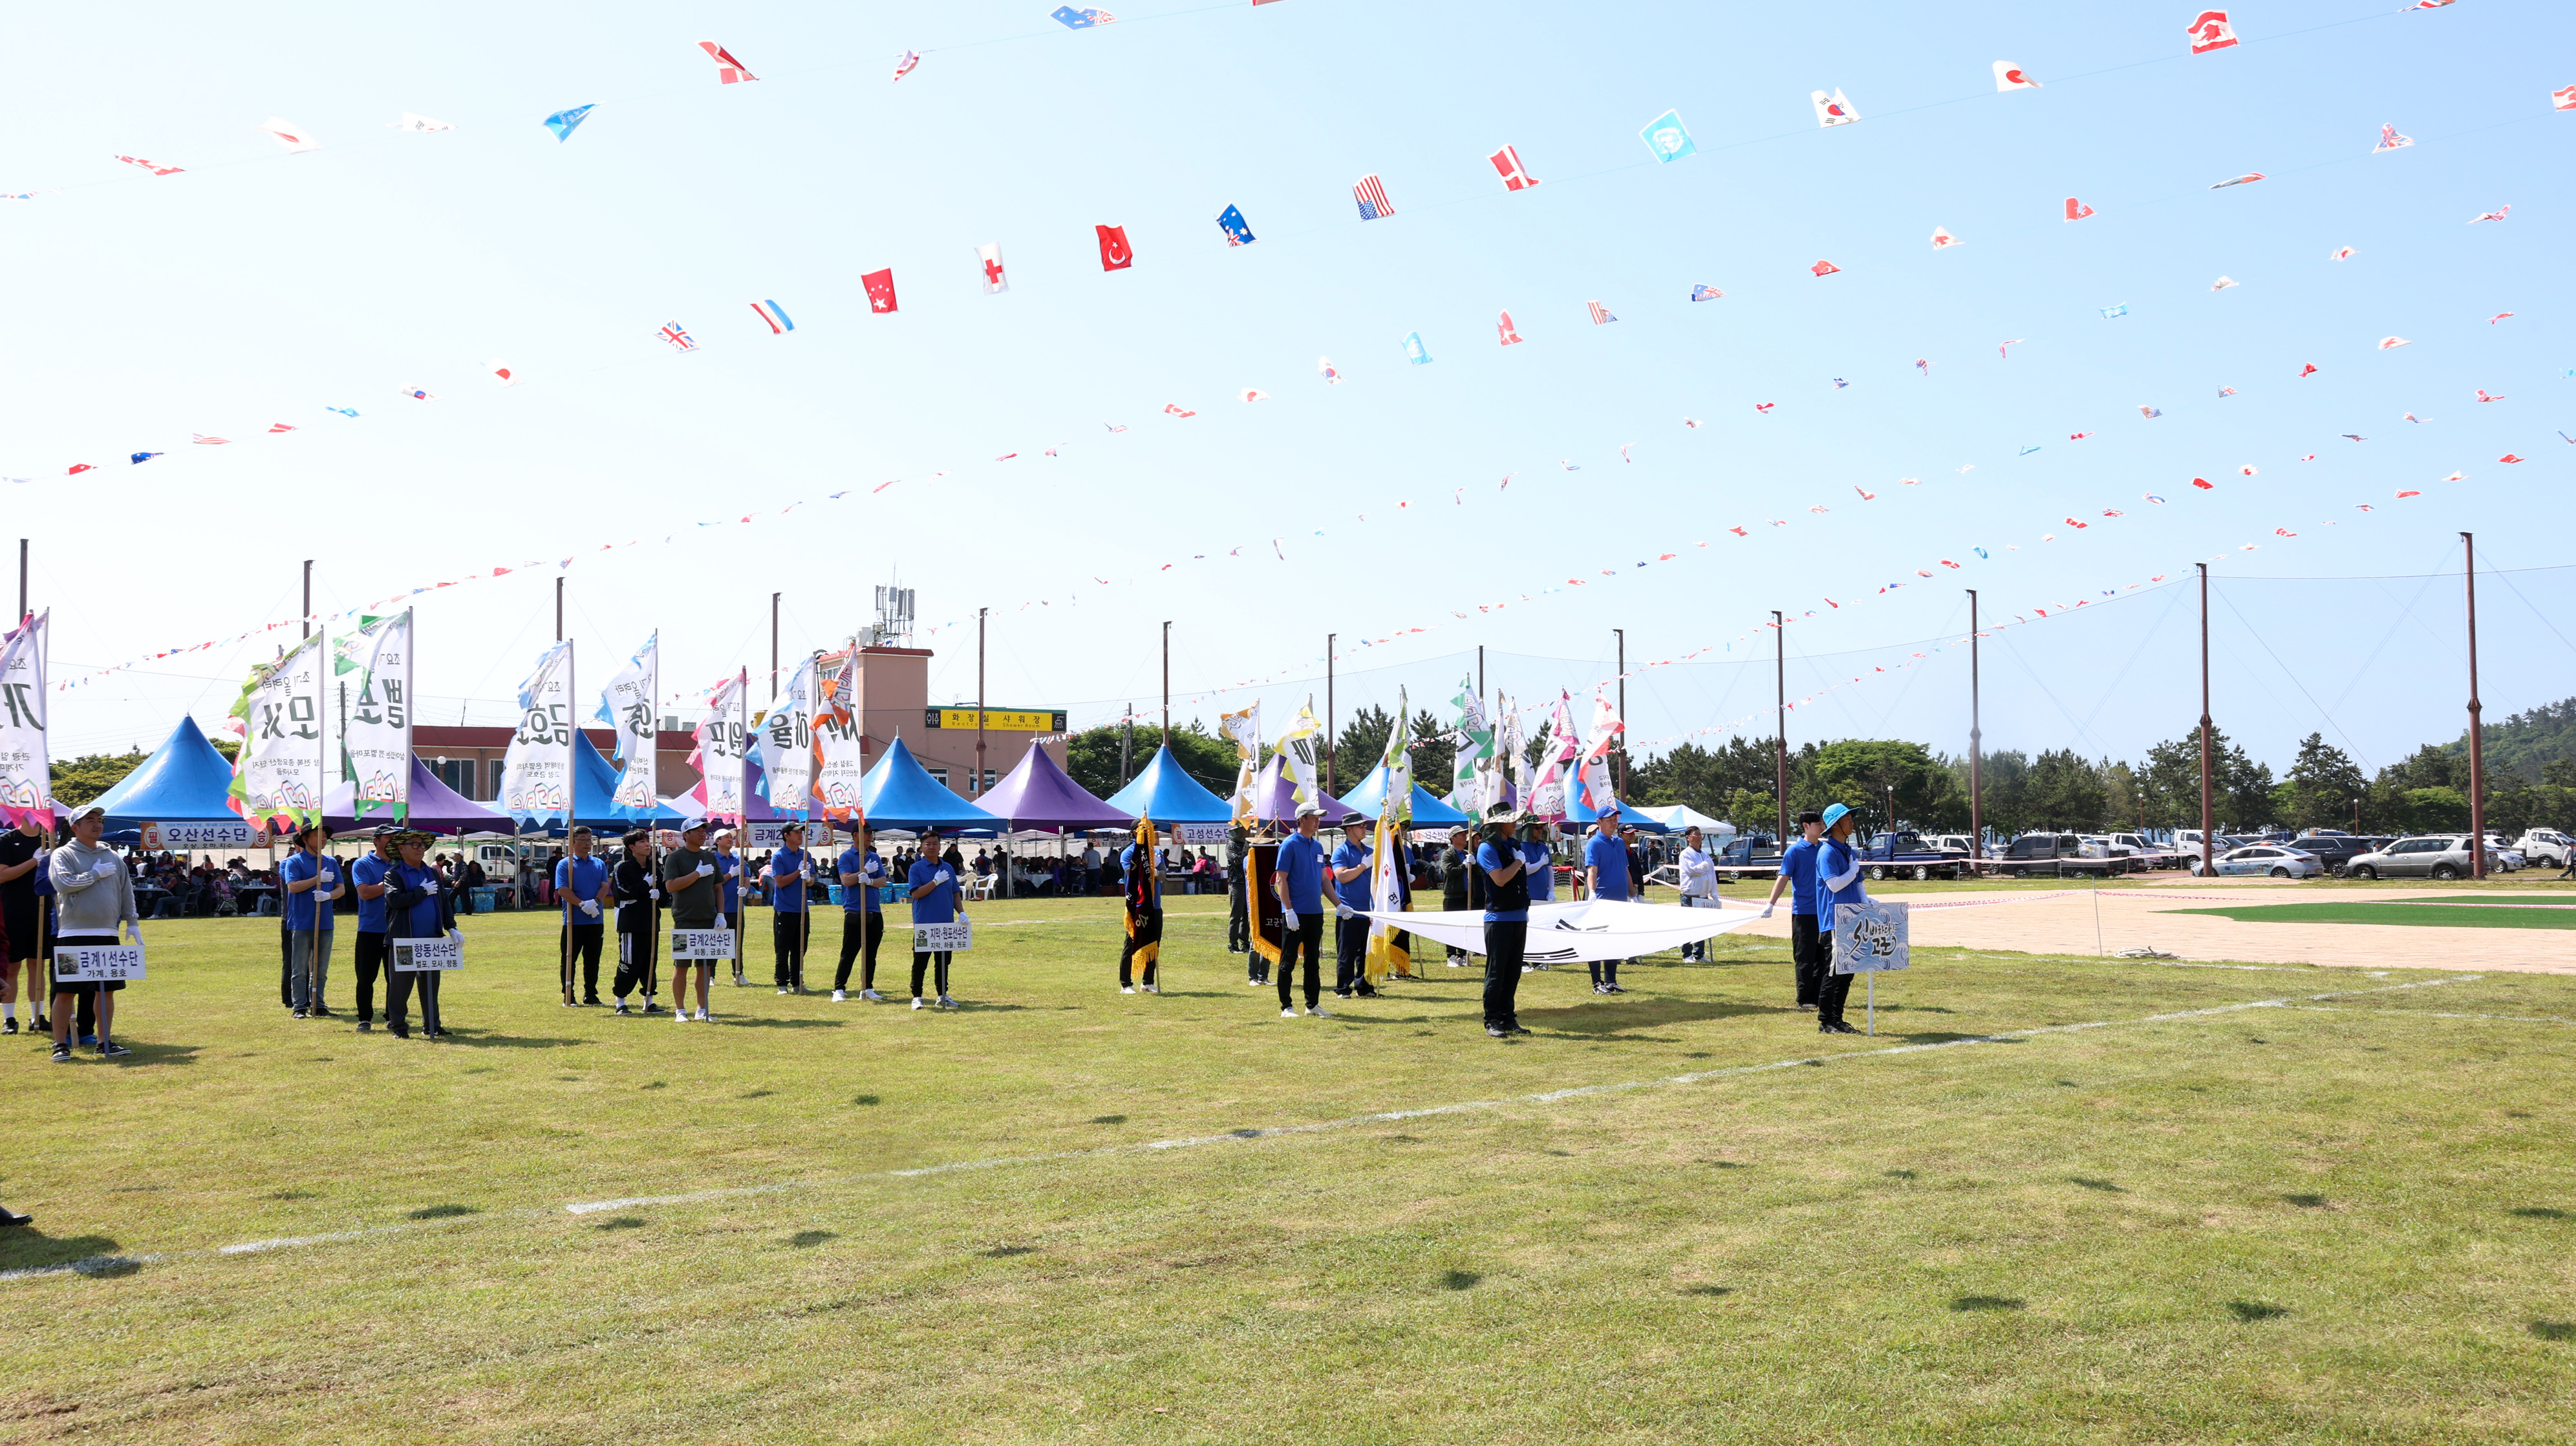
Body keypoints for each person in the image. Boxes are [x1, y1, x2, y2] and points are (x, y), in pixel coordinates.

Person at [47, 804, 140, 1061]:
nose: (97, 824)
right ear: (75, 827)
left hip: (107, 933)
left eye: (99, 820)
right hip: (73, 933)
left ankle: (104, 1041)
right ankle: (60, 1044)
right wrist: (94, 874)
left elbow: (126, 891)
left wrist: (132, 921)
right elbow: (63, 884)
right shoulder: (63, 854)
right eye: (90, 820)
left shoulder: (113, 856)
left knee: (106, 991)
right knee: (66, 991)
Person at [381, 832, 457, 1039]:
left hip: (431, 939)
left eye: (422, 845)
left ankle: (432, 1025)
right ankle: (399, 1027)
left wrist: (451, 927)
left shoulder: (431, 873)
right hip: (405, 940)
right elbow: (396, 900)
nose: (420, 848)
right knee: (401, 986)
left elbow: (443, 902)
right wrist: (421, 892)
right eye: (414, 844)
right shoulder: (393, 875)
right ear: (401, 849)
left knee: (431, 985)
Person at [1760, 810, 1827, 1011]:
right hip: (1804, 913)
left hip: (1825, 913)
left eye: (1823, 824)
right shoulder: (1795, 851)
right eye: (1818, 824)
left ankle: (1820, 997)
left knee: (1823, 957)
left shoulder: (1825, 850)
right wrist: (1771, 903)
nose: (1822, 827)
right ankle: (1805, 999)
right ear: (1806, 826)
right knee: (1804, 956)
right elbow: (1783, 878)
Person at [1269, 803, 1331, 1018]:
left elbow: (1324, 879)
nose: (1317, 822)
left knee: (1313, 961)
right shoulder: (1289, 845)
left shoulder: (1318, 846)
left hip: (1315, 913)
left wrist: (1339, 904)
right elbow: (1281, 880)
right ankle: (1286, 1007)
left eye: (1319, 819)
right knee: (1288, 961)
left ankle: (1312, 1005)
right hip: (1296, 913)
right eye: (1314, 818)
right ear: (1302, 819)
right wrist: (1289, 910)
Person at [1476, 806, 1532, 1039]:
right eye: (1511, 821)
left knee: (1513, 972)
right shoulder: (1487, 848)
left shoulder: (1512, 846)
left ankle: (1508, 1017)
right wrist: (1518, 862)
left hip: (1519, 916)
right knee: (1496, 972)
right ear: (1498, 825)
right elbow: (1499, 879)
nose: (1516, 824)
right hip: (1499, 918)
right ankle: (1492, 1019)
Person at [1810, 803, 1866, 1035]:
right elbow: (1834, 885)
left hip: (1851, 920)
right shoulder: (1827, 852)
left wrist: (1866, 904)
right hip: (1834, 921)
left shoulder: (1848, 851)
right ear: (1835, 825)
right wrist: (1853, 870)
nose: (1852, 822)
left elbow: (1859, 884)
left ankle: (1838, 1019)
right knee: (1833, 973)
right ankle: (1826, 1021)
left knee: (1847, 974)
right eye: (1847, 818)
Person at [279, 824, 345, 1019]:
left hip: (325, 921)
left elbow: (341, 889)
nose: (323, 839)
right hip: (301, 921)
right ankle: (299, 1006)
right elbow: (293, 887)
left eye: (325, 836)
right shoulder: (294, 862)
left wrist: (328, 895)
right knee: (300, 968)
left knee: (321, 969)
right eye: (318, 835)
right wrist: (317, 879)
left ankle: (319, 1004)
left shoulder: (330, 862)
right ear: (305, 839)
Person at [662, 817, 722, 1021]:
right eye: (697, 830)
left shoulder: (710, 856)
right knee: (682, 966)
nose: (702, 834)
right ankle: (680, 1010)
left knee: (705, 967)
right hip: (684, 920)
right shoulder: (676, 858)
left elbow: (718, 887)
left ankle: (702, 1009)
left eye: (704, 830)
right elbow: (671, 886)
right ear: (686, 835)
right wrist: (697, 873)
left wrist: (721, 914)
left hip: (708, 919)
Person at [905, 825, 964, 1009]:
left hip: (945, 923)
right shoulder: (916, 868)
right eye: (928, 844)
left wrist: (962, 912)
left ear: (940, 846)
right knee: (920, 962)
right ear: (922, 847)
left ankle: (942, 995)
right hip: (925, 923)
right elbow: (916, 894)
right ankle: (917, 996)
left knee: (944, 962)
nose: (932, 847)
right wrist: (935, 882)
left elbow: (955, 893)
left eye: (935, 843)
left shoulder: (948, 867)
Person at [0, 811, 48, 1035]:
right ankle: (9, 1019)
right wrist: (34, 861)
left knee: (38, 964)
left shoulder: (49, 841)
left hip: (42, 909)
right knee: (12, 966)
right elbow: (3, 875)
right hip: (12, 910)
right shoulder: (6, 840)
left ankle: (38, 1016)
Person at [555, 826, 610, 1006]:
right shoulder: (566, 864)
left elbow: (605, 886)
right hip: (573, 921)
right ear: (573, 842)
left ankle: (591, 994)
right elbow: (563, 890)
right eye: (583, 840)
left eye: (589, 840)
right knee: (569, 959)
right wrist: (581, 904)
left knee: (593, 960)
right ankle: (568, 995)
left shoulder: (599, 863)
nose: (587, 843)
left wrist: (595, 902)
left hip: (595, 919)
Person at [609, 829, 661, 1016]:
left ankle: (649, 999)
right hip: (631, 924)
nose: (648, 845)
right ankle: (620, 1001)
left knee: (650, 962)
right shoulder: (622, 868)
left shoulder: (655, 868)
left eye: (648, 841)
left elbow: (666, 894)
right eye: (643, 842)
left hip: (651, 923)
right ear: (632, 847)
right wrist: (645, 885)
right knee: (629, 962)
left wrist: (659, 895)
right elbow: (622, 892)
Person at [349, 832, 398, 1032]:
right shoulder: (362, 864)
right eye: (388, 837)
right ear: (376, 840)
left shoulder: (400, 863)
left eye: (395, 838)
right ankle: (364, 1019)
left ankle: (393, 1017)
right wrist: (391, 880)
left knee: (396, 978)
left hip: (397, 929)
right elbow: (365, 893)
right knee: (366, 978)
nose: (393, 841)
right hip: (370, 929)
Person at [833, 824, 888, 1001]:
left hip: (873, 909)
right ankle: (839, 988)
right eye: (867, 833)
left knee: (871, 954)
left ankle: (868, 987)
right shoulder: (846, 857)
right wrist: (863, 872)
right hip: (855, 909)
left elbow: (883, 881)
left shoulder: (874, 857)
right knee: (849, 952)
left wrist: (870, 881)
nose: (870, 836)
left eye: (871, 833)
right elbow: (846, 880)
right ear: (856, 835)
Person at [1580, 806, 1631, 995]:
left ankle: (1611, 981)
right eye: (1609, 820)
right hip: (1601, 899)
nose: (1613, 823)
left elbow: (1625, 869)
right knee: (1596, 941)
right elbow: (1592, 870)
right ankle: (1597, 983)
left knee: (1613, 941)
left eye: (1615, 819)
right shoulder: (1594, 843)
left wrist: (1633, 894)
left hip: (1619, 900)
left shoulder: (1619, 842)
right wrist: (1592, 892)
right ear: (1599, 822)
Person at [1329, 814, 1378, 999]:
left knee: (1366, 952)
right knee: (1347, 953)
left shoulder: (1370, 851)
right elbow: (1342, 876)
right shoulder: (1341, 852)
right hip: (1349, 911)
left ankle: (1364, 986)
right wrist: (1364, 865)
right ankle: (1343, 988)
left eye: (1364, 826)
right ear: (1349, 829)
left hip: (1368, 910)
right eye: (1360, 826)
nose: (1364, 829)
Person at [765, 822, 814, 995]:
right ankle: (782, 984)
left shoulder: (806, 854)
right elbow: (780, 882)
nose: (801, 835)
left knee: (800, 948)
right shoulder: (779, 856)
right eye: (796, 833)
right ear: (787, 836)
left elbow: (812, 882)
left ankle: (797, 982)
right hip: (784, 909)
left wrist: (808, 878)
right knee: (783, 948)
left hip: (802, 909)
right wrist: (798, 872)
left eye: (801, 832)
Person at [1118, 821, 1163, 995]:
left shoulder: (1157, 852)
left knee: (1153, 943)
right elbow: (1133, 874)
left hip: (1155, 906)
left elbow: (1163, 875)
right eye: (1146, 830)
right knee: (1131, 944)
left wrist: (1156, 871)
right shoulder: (1128, 853)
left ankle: (1148, 981)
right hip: (1138, 906)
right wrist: (1149, 866)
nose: (1150, 833)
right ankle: (1126, 984)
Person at [1676, 826, 1719, 962]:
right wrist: (1706, 865)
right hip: (1690, 896)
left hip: (1703, 896)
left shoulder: (1705, 855)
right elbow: (1693, 871)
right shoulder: (1686, 854)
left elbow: (1712, 875)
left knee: (1702, 926)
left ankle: (1699, 954)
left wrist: (1714, 893)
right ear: (1688, 837)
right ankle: (1687, 955)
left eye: (1700, 834)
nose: (1699, 837)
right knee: (1688, 926)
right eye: (1696, 834)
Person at [713, 829, 746, 986]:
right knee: (714, 943)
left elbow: (746, 877)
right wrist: (730, 874)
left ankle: (738, 973)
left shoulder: (738, 859)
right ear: (717, 841)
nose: (730, 839)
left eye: (731, 837)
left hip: (737, 908)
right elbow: (714, 884)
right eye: (726, 837)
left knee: (737, 944)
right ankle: (711, 976)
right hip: (718, 910)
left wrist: (746, 888)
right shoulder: (713, 860)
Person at [1438, 827, 1472, 967]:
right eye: (1462, 834)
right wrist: (1464, 865)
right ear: (1453, 838)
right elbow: (1449, 871)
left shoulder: (1467, 854)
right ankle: (1451, 955)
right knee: (1452, 926)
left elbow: (1477, 873)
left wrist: (1475, 864)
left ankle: (1462, 955)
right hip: (1453, 896)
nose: (1465, 836)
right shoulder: (1447, 854)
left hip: (1466, 895)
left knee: (1465, 926)